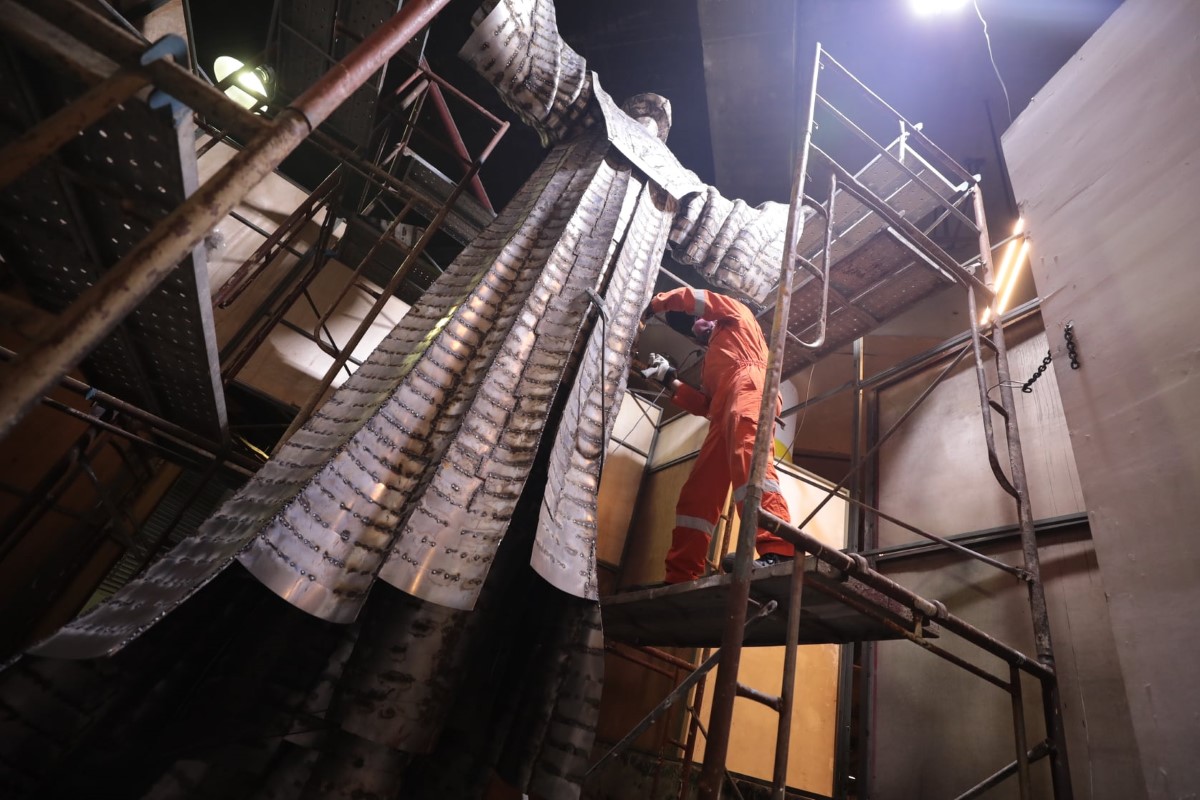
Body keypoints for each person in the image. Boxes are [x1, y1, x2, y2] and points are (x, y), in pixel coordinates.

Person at [640, 287, 795, 584]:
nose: (696, 322)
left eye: (698, 319)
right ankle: (681, 575)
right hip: (723, 412)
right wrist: (670, 380)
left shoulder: (737, 315)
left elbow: (698, 298)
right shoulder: (713, 361)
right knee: (698, 494)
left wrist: (653, 306)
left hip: (751, 387)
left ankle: (780, 548)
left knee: (750, 460)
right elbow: (707, 406)